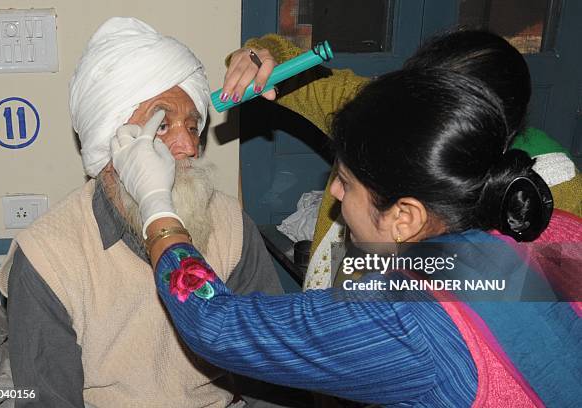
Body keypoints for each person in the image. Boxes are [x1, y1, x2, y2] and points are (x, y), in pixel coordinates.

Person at [116, 67, 581, 406]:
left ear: (406, 218)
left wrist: (157, 204)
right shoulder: (554, 228)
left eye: (346, 182)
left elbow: (217, 325)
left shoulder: (402, 324)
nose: (333, 192)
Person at [0, 17, 297, 408]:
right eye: (162, 126)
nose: (188, 146)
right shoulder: (46, 259)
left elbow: (270, 373)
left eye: (192, 127)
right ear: (112, 146)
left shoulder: (229, 225)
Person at [221, 30, 581, 290]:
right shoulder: (380, 111)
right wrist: (260, 57)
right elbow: (288, 66)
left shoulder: (555, 196)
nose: (335, 190)